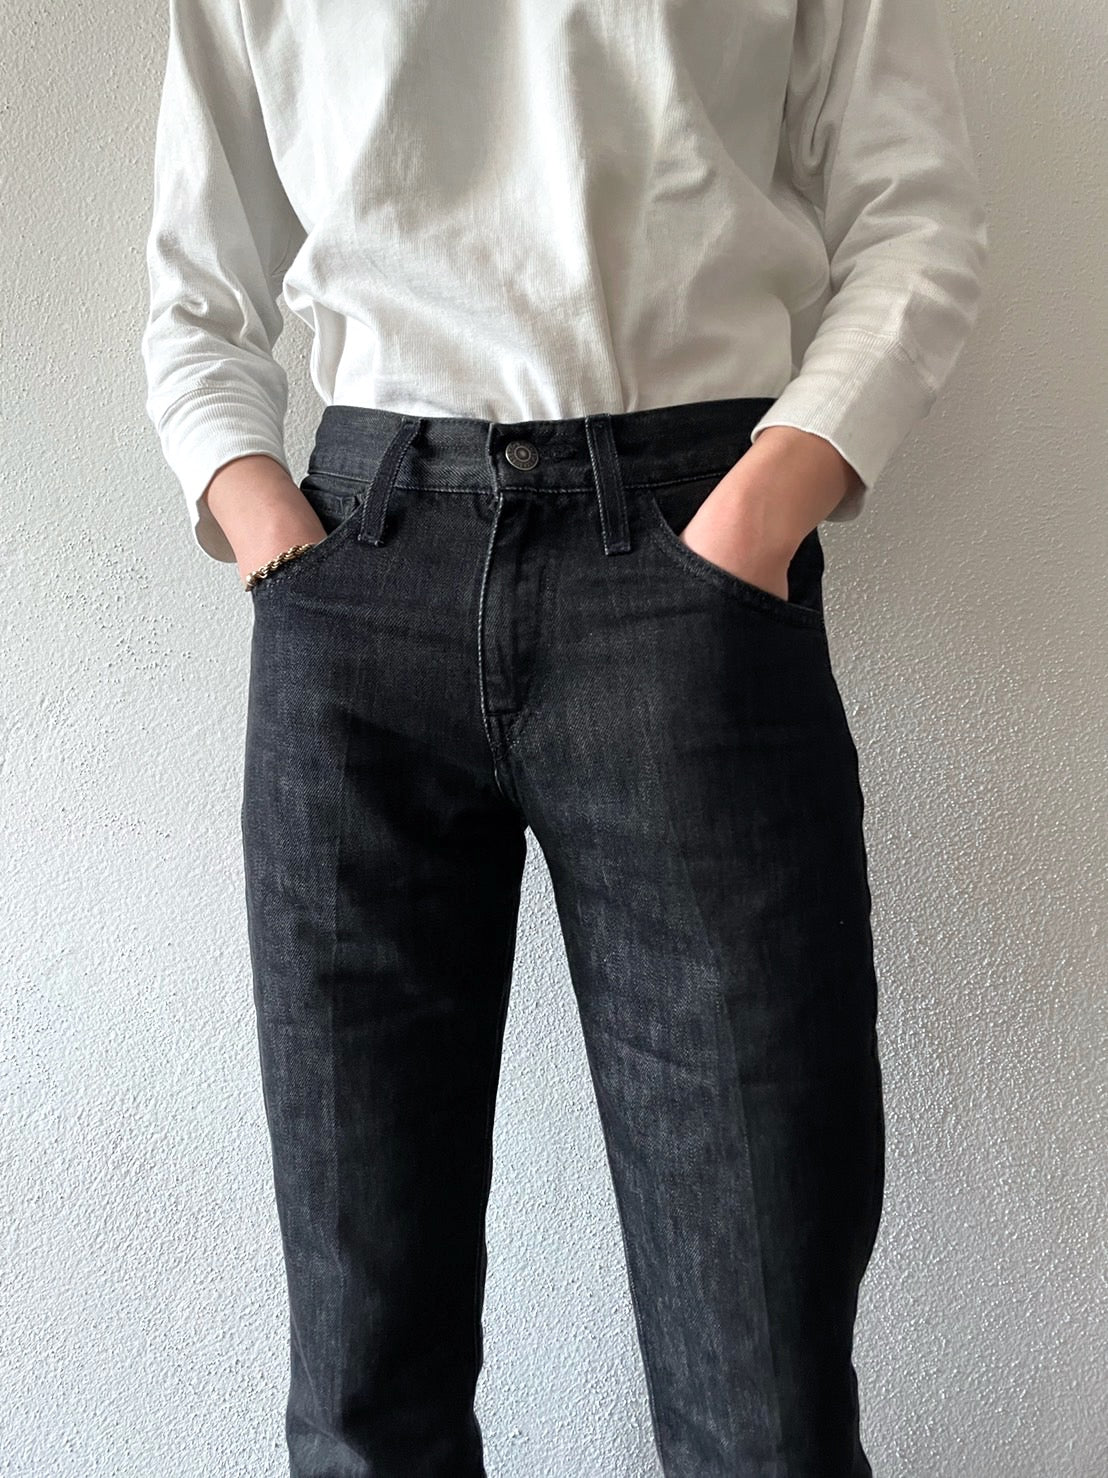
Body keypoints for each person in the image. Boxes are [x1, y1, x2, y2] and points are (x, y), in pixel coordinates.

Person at [140, 2, 987, 1473]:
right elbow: (195, 293)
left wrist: (751, 520)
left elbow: (917, 217)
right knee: (363, 1375)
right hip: (360, 565)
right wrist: (277, 541)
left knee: (763, 1380)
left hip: (690, 558)